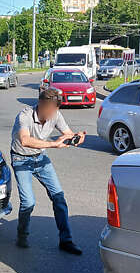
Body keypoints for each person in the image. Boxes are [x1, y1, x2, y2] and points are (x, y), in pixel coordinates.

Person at [10, 89, 86, 255]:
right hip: (21, 159)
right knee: (28, 202)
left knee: (59, 197)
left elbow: (67, 134)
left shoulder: (56, 115)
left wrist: (76, 137)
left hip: (40, 158)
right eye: (50, 110)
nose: (53, 114)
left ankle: (66, 241)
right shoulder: (24, 115)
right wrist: (53, 144)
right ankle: (22, 235)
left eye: (55, 110)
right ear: (41, 104)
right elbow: (25, 140)